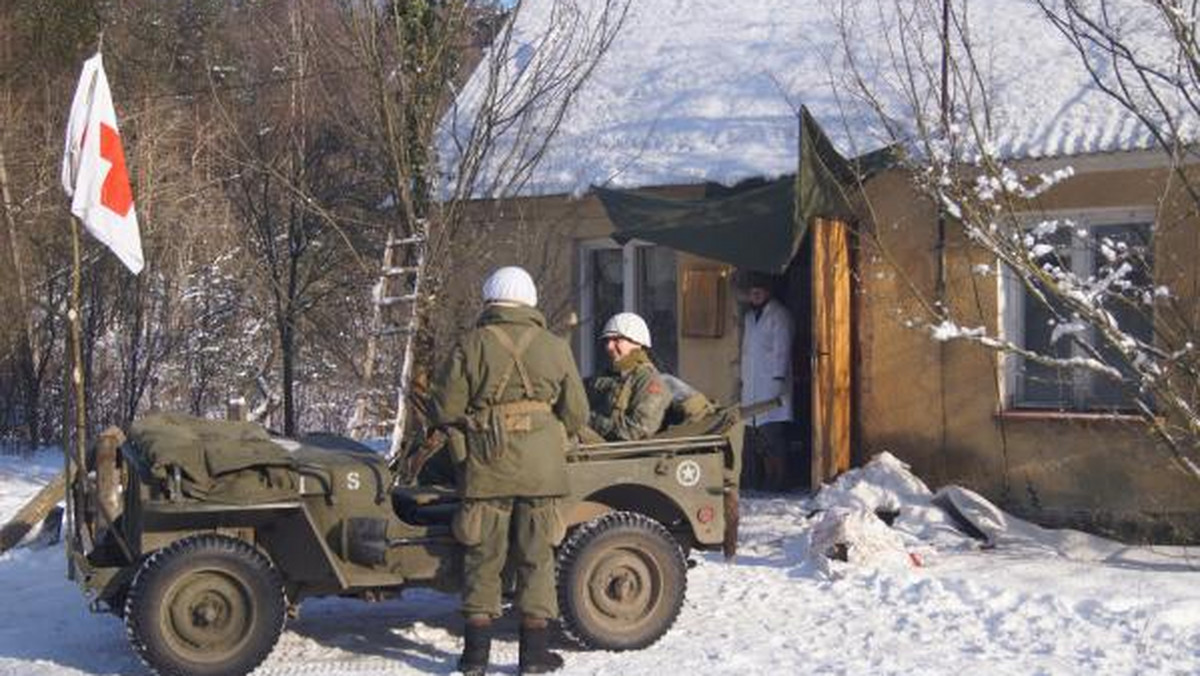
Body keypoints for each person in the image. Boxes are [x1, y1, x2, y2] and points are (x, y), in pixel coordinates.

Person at [430, 266, 589, 676]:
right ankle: (534, 656)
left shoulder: (471, 344)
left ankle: (475, 658)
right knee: (537, 558)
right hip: (543, 472)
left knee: (482, 558)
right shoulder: (556, 347)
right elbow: (576, 414)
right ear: (530, 300)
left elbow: (445, 409)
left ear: (490, 299)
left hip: (487, 467)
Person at [739, 275, 794, 491]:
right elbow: (747, 351)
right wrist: (743, 378)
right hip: (752, 384)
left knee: (772, 434)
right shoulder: (750, 317)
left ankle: (779, 479)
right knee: (755, 435)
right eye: (752, 292)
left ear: (768, 292)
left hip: (771, 382)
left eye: (759, 292)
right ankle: (757, 479)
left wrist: (778, 377)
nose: (755, 295)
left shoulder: (779, 315)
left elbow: (782, 348)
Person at [587, 312, 672, 441]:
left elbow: (638, 430)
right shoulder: (607, 376)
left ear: (637, 342)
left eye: (617, 340)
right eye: (608, 341)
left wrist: (590, 420)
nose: (609, 346)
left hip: (618, 453)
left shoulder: (648, 380)